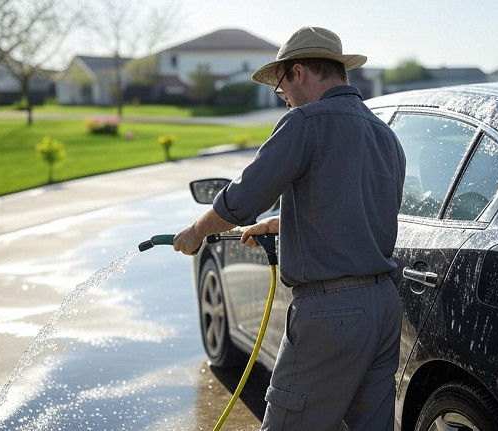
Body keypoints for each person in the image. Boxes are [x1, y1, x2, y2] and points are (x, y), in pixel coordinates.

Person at [174, 26, 406, 431]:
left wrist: (196, 231)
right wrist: (287, 223)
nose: (282, 96)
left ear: (298, 71)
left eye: (280, 85)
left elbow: (242, 199)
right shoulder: (384, 134)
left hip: (331, 312)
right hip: (383, 306)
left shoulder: (305, 122)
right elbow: (364, 211)